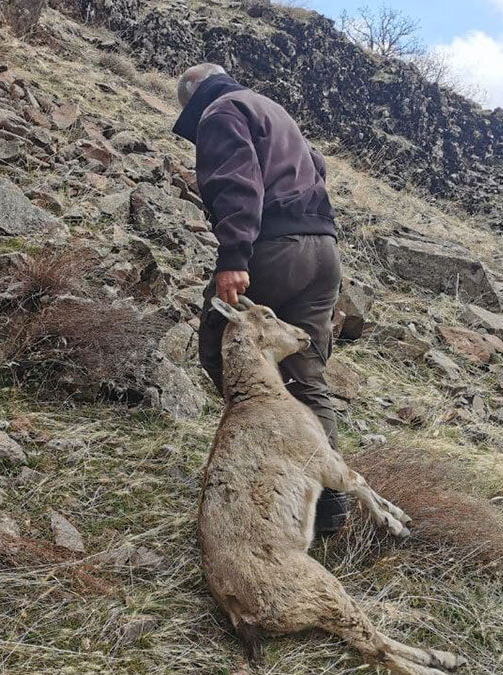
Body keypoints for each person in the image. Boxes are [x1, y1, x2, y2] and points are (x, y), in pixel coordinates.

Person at [172, 63, 348, 536]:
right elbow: (318, 166)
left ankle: (264, 472)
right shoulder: (272, 109)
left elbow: (237, 181)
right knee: (306, 376)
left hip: (274, 249)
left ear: (193, 95)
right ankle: (330, 505)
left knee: (224, 349)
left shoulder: (219, 111)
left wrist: (233, 255)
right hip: (324, 253)